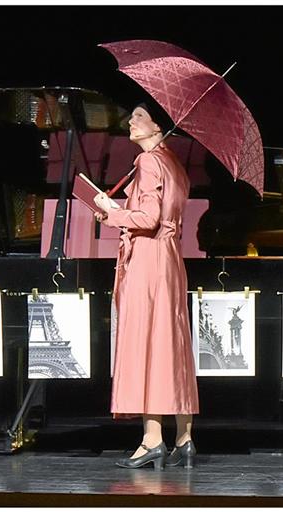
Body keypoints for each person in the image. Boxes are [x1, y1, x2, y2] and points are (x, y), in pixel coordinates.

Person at [94, 103, 200, 470]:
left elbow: (148, 218)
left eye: (139, 116)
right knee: (170, 343)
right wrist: (116, 209)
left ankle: (152, 439)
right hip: (169, 259)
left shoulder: (149, 161)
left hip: (149, 260)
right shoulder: (173, 162)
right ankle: (184, 438)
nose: (130, 122)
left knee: (147, 344)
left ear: (158, 125)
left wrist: (111, 215)